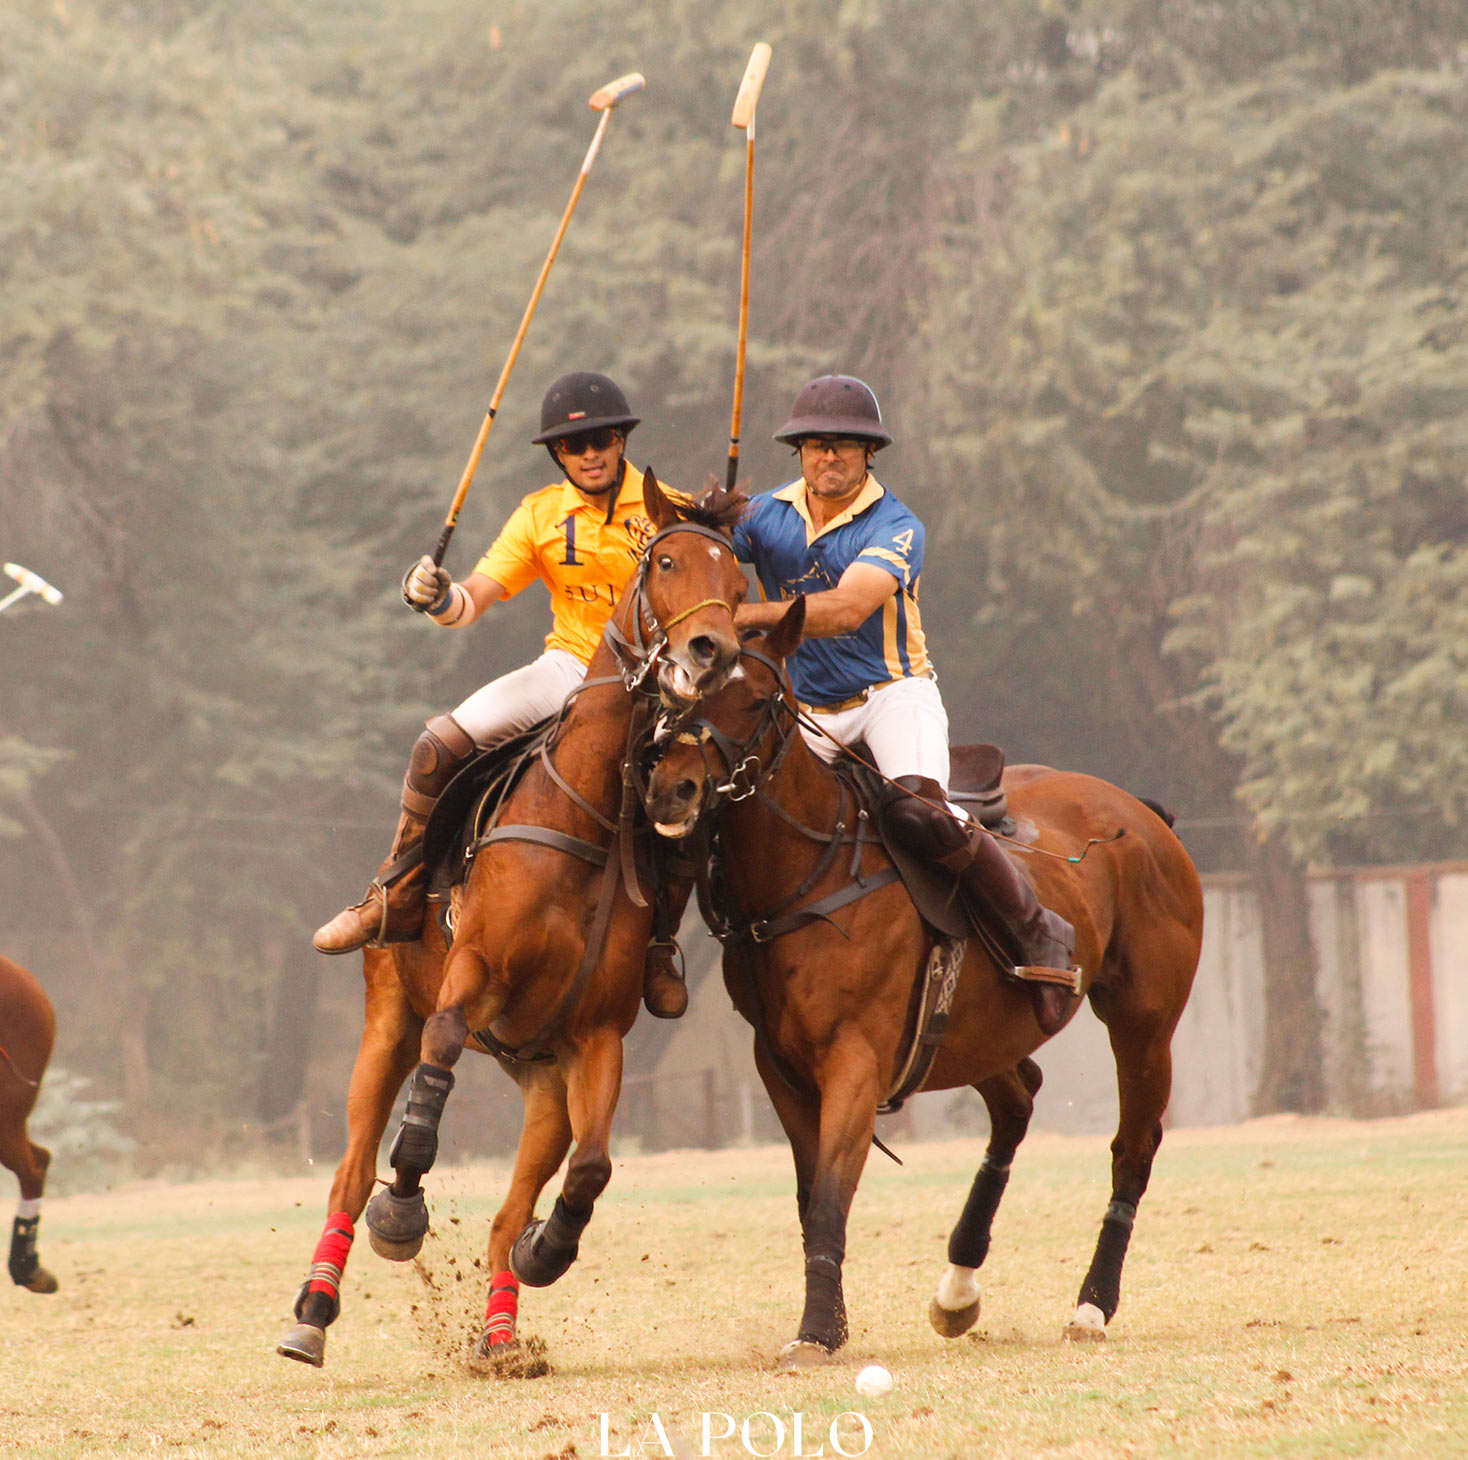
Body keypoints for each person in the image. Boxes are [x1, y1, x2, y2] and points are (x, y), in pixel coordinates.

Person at [313, 370, 691, 1019]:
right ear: (558, 455)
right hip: (571, 667)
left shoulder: (669, 510)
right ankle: (395, 891)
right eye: (576, 447)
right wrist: (437, 596)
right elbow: (474, 600)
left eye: (602, 439)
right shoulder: (540, 513)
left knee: (696, 790)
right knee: (439, 743)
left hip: (660, 686)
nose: (591, 453)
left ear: (622, 441)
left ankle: (658, 945)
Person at [730, 374, 1077, 1031]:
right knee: (727, 806)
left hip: (890, 694)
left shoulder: (896, 525)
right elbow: (705, 557)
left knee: (923, 812)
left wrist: (738, 614)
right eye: (814, 445)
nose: (827, 457)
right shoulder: (764, 516)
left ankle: (1037, 932)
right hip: (803, 710)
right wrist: (701, 524)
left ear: (870, 454)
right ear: (798, 452)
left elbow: (844, 608)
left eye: (843, 446)